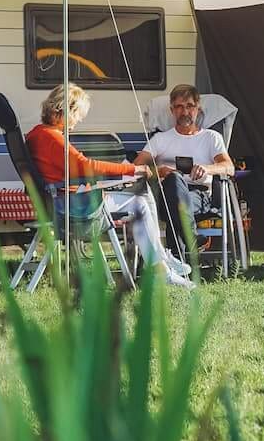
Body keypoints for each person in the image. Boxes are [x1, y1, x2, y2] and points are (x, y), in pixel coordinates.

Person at [26, 84, 194, 288]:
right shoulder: (52, 137)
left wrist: (109, 180)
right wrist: (131, 170)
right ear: (67, 109)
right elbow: (85, 166)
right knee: (140, 201)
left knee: (140, 192)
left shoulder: (38, 134)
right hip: (74, 206)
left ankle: (160, 261)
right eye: (78, 114)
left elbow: (71, 170)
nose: (79, 120)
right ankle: (160, 265)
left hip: (66, 200)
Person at [132, 84, 235, 247]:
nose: (185, 112)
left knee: (175, 207)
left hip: (197, 194)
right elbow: (135, 168)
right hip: (164, 194)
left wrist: (207, 168)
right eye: (179, 107)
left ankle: (177, 258)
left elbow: (229, 167)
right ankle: (190, 238)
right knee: (173, 181)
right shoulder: (160, 139)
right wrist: (159, 171)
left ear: (198, 108)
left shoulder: (211, 137)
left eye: (190, 106)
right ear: (172, 110)